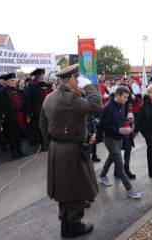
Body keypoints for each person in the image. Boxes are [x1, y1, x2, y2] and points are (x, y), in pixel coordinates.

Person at [39, 64, 103, 238]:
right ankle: (74, 225)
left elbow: (43, 124)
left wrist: (53, 144)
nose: (79, 85)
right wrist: (90, 85)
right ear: (73, 79)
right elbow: (97, 106)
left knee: (63, 189)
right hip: (71, 149)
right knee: (76, 188)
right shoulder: (71, 98)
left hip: (56, 148)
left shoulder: (50, 97)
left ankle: (65, 225)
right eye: (78, 80)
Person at [98, 86, 141, 199]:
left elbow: (121, 120)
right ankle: (129, 189)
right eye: (125, 97)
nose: (127, 99)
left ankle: (102, 175)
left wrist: (127, 127)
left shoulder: (121, 104)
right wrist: (118, 130)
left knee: (111, 157)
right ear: (117, 95)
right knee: (120, 165)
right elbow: (102, 125)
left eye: (127, 97)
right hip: (110, 139)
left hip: (119, 138)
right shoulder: (107, 108)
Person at [0, 73, 31, 158]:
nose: (14, 82)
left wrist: (27, 113)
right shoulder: (0, 93)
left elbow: (24, 104)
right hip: (9, 117)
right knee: (12, 135)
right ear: (6, 81)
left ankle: (20, 149)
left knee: (20, 133)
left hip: (20, 116)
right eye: (12, 80)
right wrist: (2, 116)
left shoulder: (19, 91)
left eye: (15, 80)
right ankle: (14, 151)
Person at [27, 68, 52, 151]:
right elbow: (30, 99)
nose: (42, 77)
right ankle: (42, 143)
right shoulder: (32, 85)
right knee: (40, 127)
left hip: (48, 108)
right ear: (37, 76)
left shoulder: (46, 84)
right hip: (38, 110)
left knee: (49, 126)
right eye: (41, 75)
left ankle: (48, 142)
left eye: (43, 75)